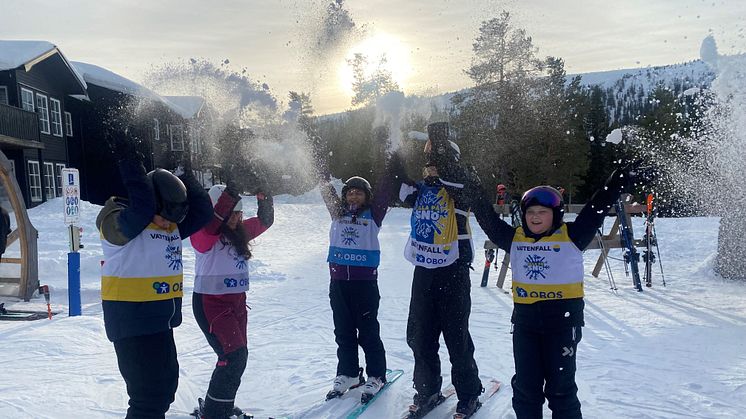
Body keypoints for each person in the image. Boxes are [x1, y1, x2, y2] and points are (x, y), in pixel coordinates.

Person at [463, 162, 653, 418]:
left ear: (556, 214)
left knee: (561, 390)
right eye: (530, 212)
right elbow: (487, 218)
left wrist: (619, 179)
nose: (535, 217)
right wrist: (473, 187)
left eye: (542, 212)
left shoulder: (573, 236)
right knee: (526, 389)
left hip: (562, 326)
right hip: (526, 326)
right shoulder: (515, 238)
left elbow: (597, 208)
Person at [97, 153, 212, 419]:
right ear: (151, 204)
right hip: (131, 323)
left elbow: (203, 212)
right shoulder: (121, 225)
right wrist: (130, 160)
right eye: (162, 216)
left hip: (160, 321)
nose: (167, 223)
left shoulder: (168, 227)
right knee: (146, 398)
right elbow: (141, 209)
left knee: (164, 391)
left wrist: (186, 174)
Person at [395, 122, 483, 418]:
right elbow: (400, 189)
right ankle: (427, 389)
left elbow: (463, 186)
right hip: (425, 269)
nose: (430, 169)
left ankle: (469, 393)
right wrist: (393, 151)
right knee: (420, 334)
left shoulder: (462, 184)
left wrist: (439, 145)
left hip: (454, 269)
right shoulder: (423, 189)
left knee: (456, 337)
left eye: (436, 163)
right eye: (428, 163)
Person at [190, 183, 274, 419]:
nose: (237, 218)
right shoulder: (203, 235)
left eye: (239, 213)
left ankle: (219, 406)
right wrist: (228, 195)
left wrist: (264, 194)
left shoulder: (240, 231)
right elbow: (209, 230)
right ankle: (215, 413)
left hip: (236, 304)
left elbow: (265, 220)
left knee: (237, 357)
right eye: (232, 213)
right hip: (211, 304)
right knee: (233, 356)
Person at [320, 172, 395, 404]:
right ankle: (349, 373)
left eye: (358, 192)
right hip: (339, 283)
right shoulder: (337, 213)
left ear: (367, 197)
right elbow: (327, 191)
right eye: (350, 192)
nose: (353, 196)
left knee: (368, 332)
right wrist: (322, 175)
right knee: (343, 332)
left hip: (364, 285)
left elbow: (386, 189)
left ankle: (376, 375)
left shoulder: (374, 214)